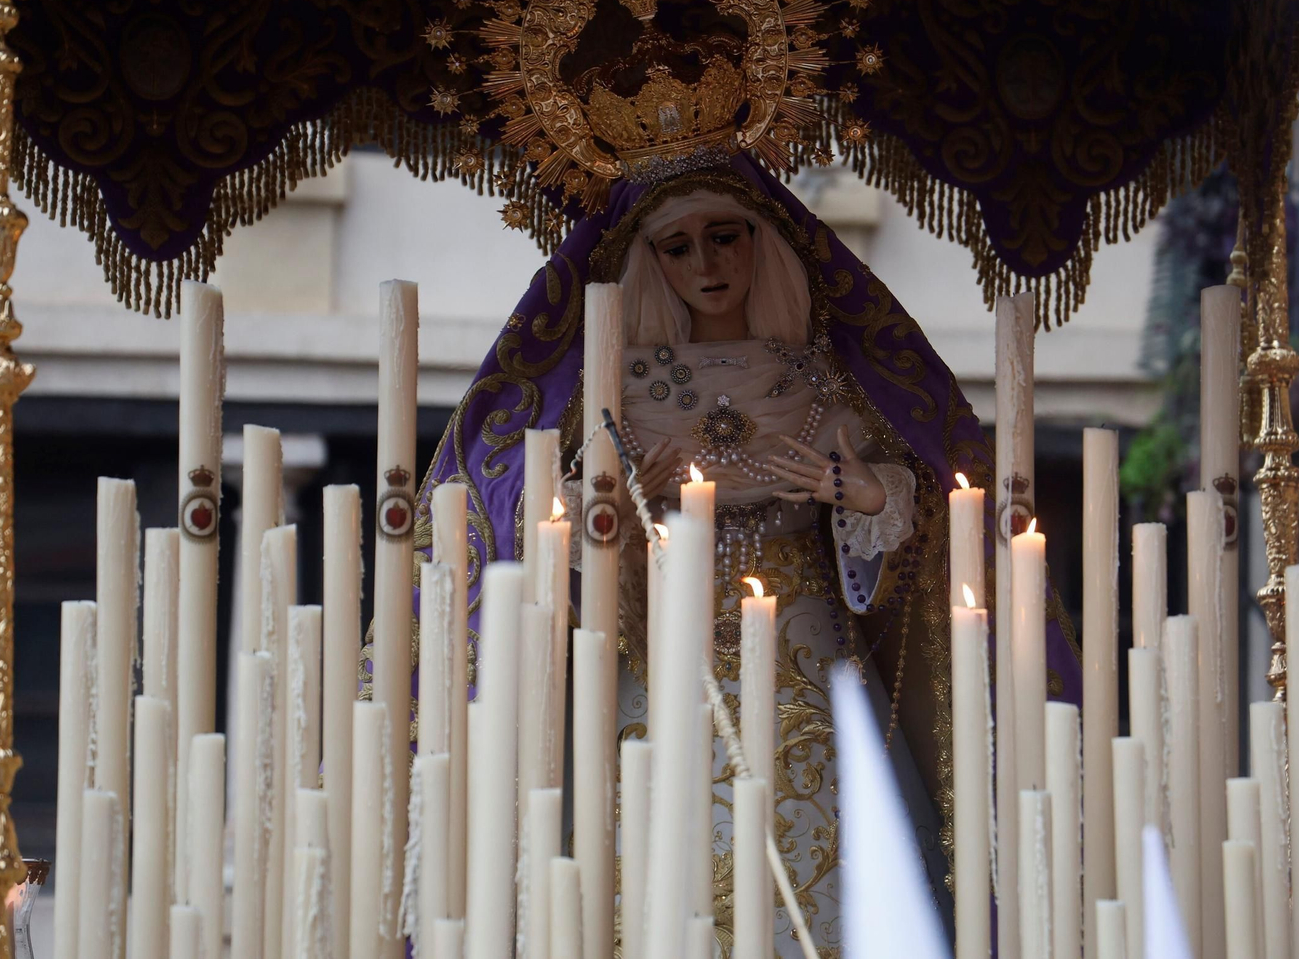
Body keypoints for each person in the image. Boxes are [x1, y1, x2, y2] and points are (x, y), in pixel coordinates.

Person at [406, 154, 1083, 954]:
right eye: (679, 247)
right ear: (651, 265)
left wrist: (869, 497)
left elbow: (914, 505)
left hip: (807, 661)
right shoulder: (616, 394)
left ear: (762, 243)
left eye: (724, 237)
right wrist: (606, 521)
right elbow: (551, 538)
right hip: (660, 665)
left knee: (819, 852)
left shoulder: (817, 381)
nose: (707, 265)